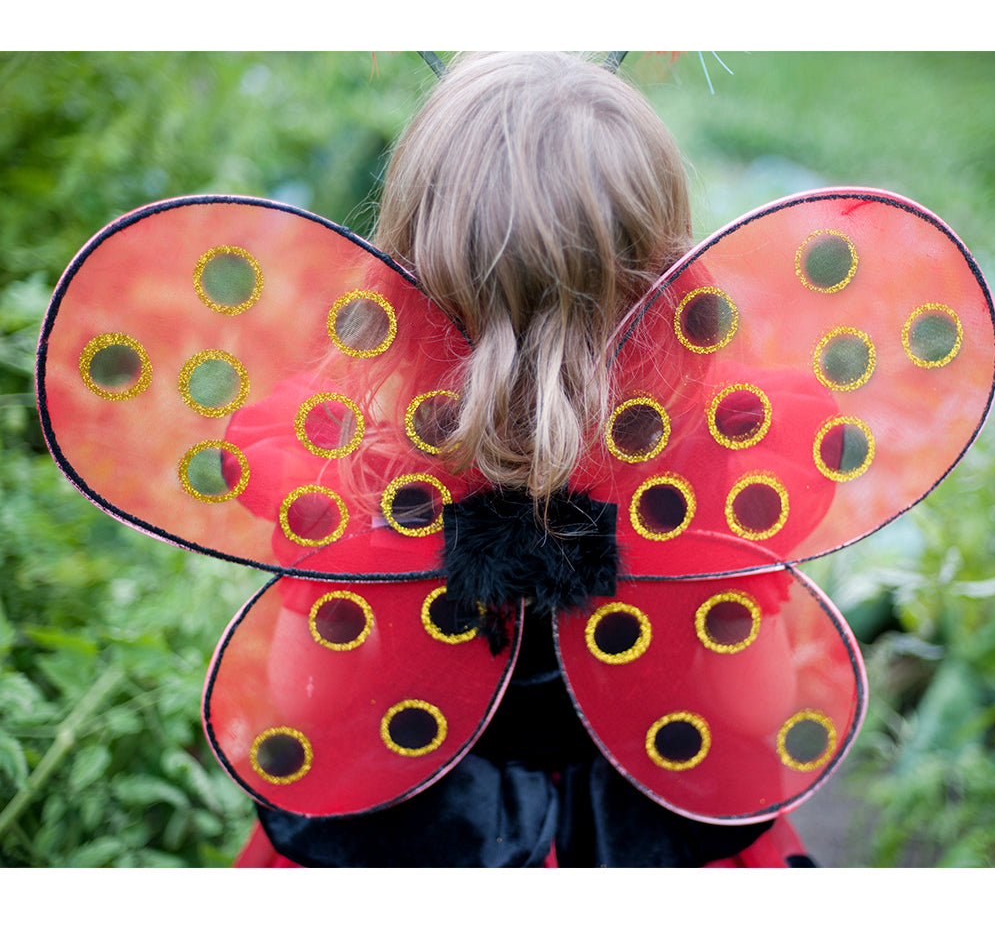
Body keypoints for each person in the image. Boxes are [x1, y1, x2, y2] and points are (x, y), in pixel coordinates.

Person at [236, 51, 810, 867]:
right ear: (667, 272)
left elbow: (303, 697)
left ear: (404, 268)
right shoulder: (715, 476)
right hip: (638, 838)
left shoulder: (355, 476)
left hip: (424, 837)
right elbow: (759, 705)